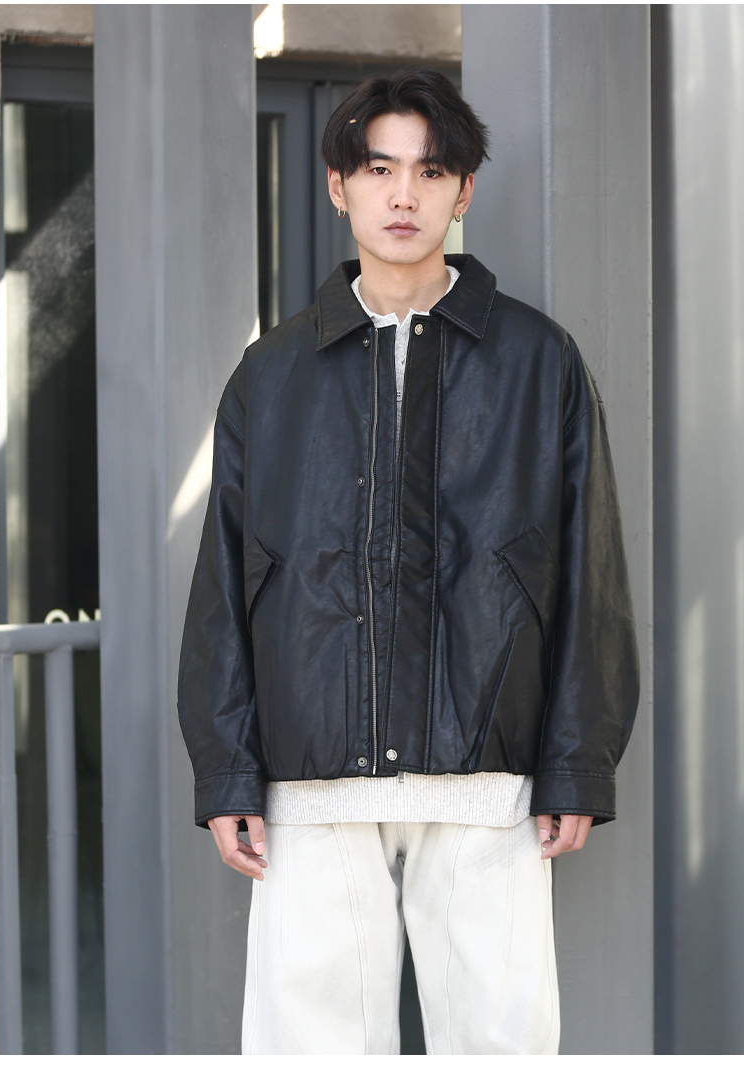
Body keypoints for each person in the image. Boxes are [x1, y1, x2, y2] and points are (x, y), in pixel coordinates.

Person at [177, 67, 640, 1055]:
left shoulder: (539, 361)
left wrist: (577, 760)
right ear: (338, 184)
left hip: (485, 773)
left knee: (500, 1043)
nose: (402, 195)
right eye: (379, 168)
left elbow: (588, 570)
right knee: (310, 1045)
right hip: (311, 780)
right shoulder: (271, 374)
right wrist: (228, 767)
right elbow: (225, 580)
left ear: (463, 190)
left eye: (429, 172)